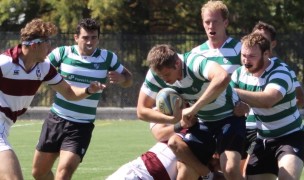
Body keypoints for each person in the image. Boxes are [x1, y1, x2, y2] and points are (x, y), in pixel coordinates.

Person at [0, 19, 105, 180]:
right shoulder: (6, 62)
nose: (50, 47)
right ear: (35, 45)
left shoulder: (43, 67)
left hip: (5, 125)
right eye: (48, 42)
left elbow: (69, 92)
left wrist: (88, 90)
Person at [31, 18, 132, 180]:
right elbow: (39, 70)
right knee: (38, 173)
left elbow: (129, 78)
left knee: (63, 172)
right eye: (85, 37)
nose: (90, 42)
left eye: (94, 37)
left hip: (81, 126)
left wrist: (122, 79)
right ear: (76, 38)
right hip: (55, 121)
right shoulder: (62, 53)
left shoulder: (108, 58)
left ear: (98, 38)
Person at [137, 44, 246, 180]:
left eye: (166, 74)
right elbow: (141, 111)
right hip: (204, 123)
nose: (164, 79)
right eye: (160, 75)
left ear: (177, 63)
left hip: (229, 117)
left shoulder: (194, 63)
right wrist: (172, 120)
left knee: (229, 169)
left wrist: (194, 109)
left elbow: (222, 77)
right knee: (181, 159)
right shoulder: (156, 73)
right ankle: (210, 176)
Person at [231, 33, 304, 180]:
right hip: (263, 140)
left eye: (252, 56)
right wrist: (238, 107)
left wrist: (234, 92)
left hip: (291, 137)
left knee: (287, 178)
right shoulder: (239, 74)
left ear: (266, 54)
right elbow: (227, 102)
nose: (246, 61)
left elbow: (268, 100)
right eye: (243, 55)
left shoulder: (281, 72)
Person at [191, 0, 241, 75]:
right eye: (207, 22)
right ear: (203, 24)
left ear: (225, 23)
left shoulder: (240, 49)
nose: (211, 26)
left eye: (215, 22)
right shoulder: (196, 53)